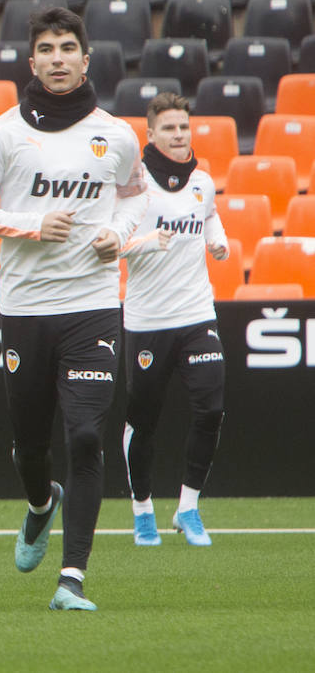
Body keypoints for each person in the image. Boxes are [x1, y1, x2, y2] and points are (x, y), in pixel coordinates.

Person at [0, 7, 148, 611]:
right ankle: (41, 502)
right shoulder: (4, 132)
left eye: (69, 47)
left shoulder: (116, 135)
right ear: (32, 61)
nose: (59, 58)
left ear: (86, 60)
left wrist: (119, 233)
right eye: (47, 48)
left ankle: (72, 579)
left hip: (92, 306)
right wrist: (31, 224)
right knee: (29, 447)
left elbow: (139, 200)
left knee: (88, 435)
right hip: (25, 309)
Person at [119, 93, 228, 548]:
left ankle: (188, 507)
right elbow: (109, 245)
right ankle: (142, 511)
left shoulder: (202, 182)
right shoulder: (133, 184)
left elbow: (209, 216)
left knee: (210, 408)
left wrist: (218, 241)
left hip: (196, 313)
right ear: (151, 134)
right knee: (143, 422)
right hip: (146, 320)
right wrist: (145, 241)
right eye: (169, 128)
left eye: (183, 127)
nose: (179, 135)